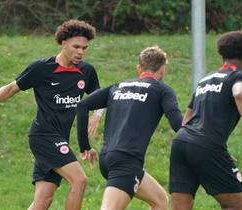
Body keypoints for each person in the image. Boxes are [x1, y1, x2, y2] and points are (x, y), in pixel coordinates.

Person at [0, 19, 103, 210]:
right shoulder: (42, 68)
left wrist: (97, 115)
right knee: (79, 180)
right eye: (76, 46)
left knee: (44, 200)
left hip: (60, 138)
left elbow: (100, 97)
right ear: (63, 42)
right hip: (43, 136)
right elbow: (12, 88)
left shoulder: (86, 71)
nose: (80, 52)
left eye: (84, 48)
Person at [169, 31, 242, 210]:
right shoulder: (241, 77)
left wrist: (210, 149)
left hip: (181, 142)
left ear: (222, 56)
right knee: (235, 206)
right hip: (205, 144)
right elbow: (239, 93)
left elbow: (187, 118)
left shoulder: (205, 80)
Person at [76, 46, 183, 210]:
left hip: (108, 159)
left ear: (139, 68)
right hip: (126, 161)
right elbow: (178, 125)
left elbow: (83, 105)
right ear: (162, 69)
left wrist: (84, 146)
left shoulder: (117, 86)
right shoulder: (162, 91)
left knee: (159, 200)